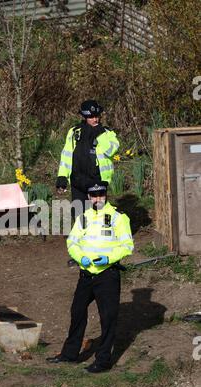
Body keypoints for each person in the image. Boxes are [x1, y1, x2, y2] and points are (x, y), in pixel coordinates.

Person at [47, 181, 134, 373]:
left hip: (107, 274)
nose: (97, 199)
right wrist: (81, 258)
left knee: (108, 318)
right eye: (94, 196)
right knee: (77, 311)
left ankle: (102, 361)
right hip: (86, 274)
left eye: (101, 195)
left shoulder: (118, 218)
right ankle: (70, 355)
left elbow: (127, 245)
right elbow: (72, 242)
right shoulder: (83, 218)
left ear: (106, 195)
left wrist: (109, 258)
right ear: (88, 197)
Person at [56, 100, 119, 218]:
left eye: (97, 116)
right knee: (79, 215)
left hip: (97, 180)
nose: (95, 120)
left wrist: (100, 134)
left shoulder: (107, 133)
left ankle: (100, 236)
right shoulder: (74, 132)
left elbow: (110, 150)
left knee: (99, 214)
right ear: (85, 117)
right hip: (78, 180)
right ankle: (80, 236)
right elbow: (66, 155)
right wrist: (62, 176)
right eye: (91, 117)